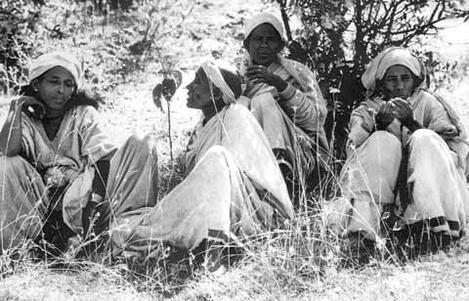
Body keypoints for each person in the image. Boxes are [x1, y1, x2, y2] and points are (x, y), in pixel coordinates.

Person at [110, 61, 293, 266]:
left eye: (197, 82)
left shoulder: (236, 115)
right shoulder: (204, 124)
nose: (188, 87)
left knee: (217, 158)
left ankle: (215, 248)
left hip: (251, 209)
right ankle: (151, 235)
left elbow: (242, 177)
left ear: (215, 94)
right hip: (214, 206)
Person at [0, 52, 158, 254]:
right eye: (54, 82)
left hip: (83, 197)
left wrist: (93, 208)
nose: (61, 90)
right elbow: (7, 150)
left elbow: (103, 159)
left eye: (68, 84)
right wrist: (16, 109)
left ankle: (123, 233)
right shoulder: (27, 120)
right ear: (36, 85)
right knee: (5, 164)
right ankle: (23, 248)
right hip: (42, 201)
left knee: (142, 141)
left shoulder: (82, 113)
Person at [338, 47, 469, 261]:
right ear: (381, 82)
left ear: (414, 80)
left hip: (436, 188)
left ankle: (432, 226)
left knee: (424, 138)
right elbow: (354, 153)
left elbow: (454, 150)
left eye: (405, 78)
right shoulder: (367, 109)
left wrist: (412, 123)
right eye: (391, 79)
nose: (399, 85)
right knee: (382, 141)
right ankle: (366, 234)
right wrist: (379, 127)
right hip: (387, 189)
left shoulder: (429, 103)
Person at [239, 12, 329, 201]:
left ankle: (280, 171)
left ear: (280, 45)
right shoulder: (237, 76)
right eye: (258, 39)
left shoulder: (297, 73)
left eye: (270, 40)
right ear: (247, 44)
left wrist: (279, 84)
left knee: (262, 100)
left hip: (297, 155)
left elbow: (314, 121)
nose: (264, 45)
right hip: (246, 152)